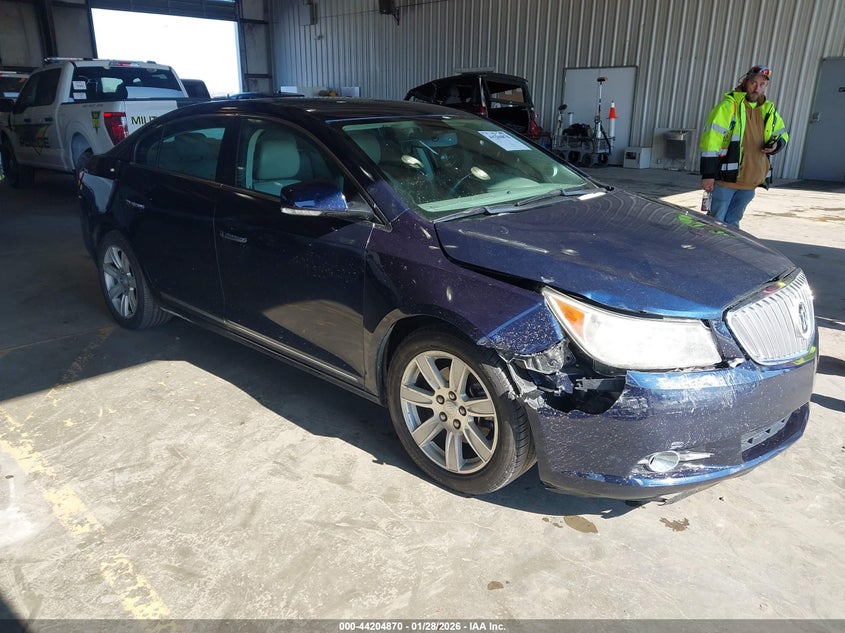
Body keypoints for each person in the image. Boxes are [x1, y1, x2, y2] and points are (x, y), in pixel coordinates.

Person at [699, 64, 788, 228]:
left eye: (762, 85)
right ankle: (712, 253)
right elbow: (711, 141)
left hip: (750, 183)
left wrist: (776, 145)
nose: (757, 88)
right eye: (754, 83)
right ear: (745, 82)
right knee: (714, 224)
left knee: (733, 224)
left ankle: (727, 254)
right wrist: (708, 174)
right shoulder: (728, 107)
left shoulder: (768, 110)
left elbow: (782, 134)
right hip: (726, 181)